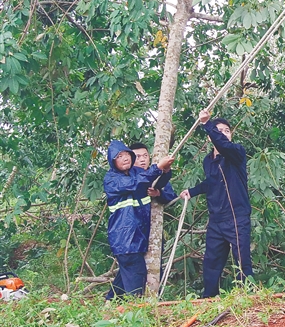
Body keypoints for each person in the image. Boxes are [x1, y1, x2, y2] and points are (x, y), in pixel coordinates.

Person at [179, 110, 253, 298]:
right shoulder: (208, 161)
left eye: (226, 130)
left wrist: (207, 124)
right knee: (211, 261)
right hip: (216, 220)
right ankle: (208, 299)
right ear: (212, 137)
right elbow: (211, 183)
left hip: (237, 216)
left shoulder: (236, 152)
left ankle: (248, 297)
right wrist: (192, 191)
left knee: (242, 261)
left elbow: (223, 145)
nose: (222, 133)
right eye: (219, 130)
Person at [103, 140, 174, 299]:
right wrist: (158, 167)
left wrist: (165, 170)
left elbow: (158, 184)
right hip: (126, 240)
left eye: (126, 154)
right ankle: (136, 314)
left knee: (128, 274)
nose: (125, 158)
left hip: (140, 238)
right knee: (137, 278)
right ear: (113, 161)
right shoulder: (113, 179)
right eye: (119, 156)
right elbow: (137, 183)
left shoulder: (137, 174)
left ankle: (110, 304)